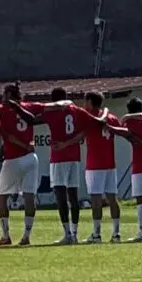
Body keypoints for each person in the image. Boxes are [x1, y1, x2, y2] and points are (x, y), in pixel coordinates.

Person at [106, 99, 142, 241]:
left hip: (141, 164)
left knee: (141, 199)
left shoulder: (132, 122)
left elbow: (130, 136)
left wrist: (110, 128)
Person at [0, 84, 42, 247]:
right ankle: (26, 235)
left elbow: (7, 134)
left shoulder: (1, 108)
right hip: (30, 156)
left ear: (8, 96)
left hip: (14, 158)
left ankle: (6, 235)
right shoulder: (29, 107)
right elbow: (48, 108)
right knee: (29, 196)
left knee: (1, 196)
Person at [36, 91, 88, 245]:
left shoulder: (54, 112)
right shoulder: (76, 111)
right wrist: (69, 143)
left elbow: (34, 120)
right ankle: (75, 233)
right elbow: (83, 133)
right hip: (75, 157)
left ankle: (67, 234)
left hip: (59, 157)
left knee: (60, 195)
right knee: (73, 196)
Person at [79, 91, 121, 244]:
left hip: (95, 164)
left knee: (96, 200)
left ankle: (96, 234)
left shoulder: (89, 117)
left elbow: (81, 134)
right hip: (110, 163)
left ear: (90, 101)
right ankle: (116, 233)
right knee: (112, 199)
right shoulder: (111, 117)